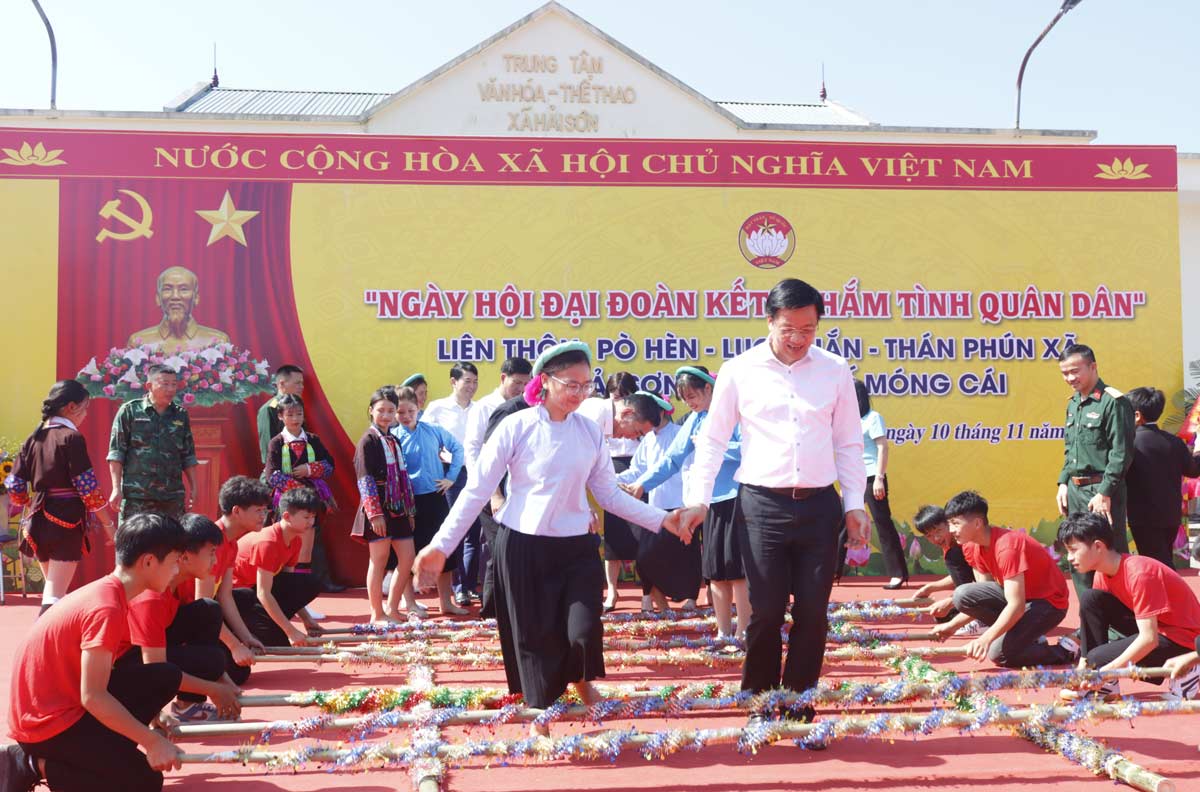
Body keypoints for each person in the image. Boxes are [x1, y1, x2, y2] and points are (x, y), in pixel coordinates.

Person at [413, 341, 689, 737]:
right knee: (535, 636)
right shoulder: (517, 426)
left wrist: (664, 521)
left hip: (577, 547)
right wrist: (441, 545)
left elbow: (609, 496)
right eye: (571, 385)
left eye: (586, 385)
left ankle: (578, 679)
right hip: (524, 546)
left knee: (582, 629)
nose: (579, 394)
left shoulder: (589, 433)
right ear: (546, 382)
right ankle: (539, 718)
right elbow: (476, 491)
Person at [676, 279, 868, 730]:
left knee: (813, 613)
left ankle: (799, 705)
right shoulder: (739, 370)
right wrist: (697, 501)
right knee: (764, 610)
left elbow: (848, 442)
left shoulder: (835, 369)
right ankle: (760, 702)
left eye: (809, 328)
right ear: (769, 322)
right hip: (761, 506)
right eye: (789, 329)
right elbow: (713, 439)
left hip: (820, 506)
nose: (799, 338)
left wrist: (854, 504)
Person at [3, 513, 186, 792]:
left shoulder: (111, 593)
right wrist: (152, 741)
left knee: (164, 675)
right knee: (145, 781)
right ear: (148, 561)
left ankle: (104, 752)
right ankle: (28, 763)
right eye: (174, 562)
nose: (176, 571)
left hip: (63, 705)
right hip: (44, 726)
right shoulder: (106, 608)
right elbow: (93, 696)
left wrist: (152, 719)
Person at [626, 365, 749, 638]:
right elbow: (672, 459)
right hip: (705, 502)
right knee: (715, 569)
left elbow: (748, 450)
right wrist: (642, 484)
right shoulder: (696, 419)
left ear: (709, 388)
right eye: (685, 399)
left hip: (736, 497)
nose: (690, 403)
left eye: (694, 396)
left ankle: (743, 630)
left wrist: (714, 447)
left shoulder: (733, 412)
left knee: (737, 569)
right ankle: (723, 632)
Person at [1057, 511, 1200, 701]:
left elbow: (1149, 639)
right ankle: (1107, 687)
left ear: (1098, 546)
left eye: (1074, 550)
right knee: (1091, 600)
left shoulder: (1139, 573)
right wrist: (1083, 669)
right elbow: (1097, 629)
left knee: (1098, 658)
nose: (1069, 557)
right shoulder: (1102, 573)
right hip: (1159, 630)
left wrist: (1107, 669)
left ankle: (1192, 665)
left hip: (1185, 639)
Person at [120, 513, 247, 723]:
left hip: (149, 648)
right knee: (213, 660)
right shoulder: (151, 596)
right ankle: (155, 708)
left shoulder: (176, 583)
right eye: (212, 553)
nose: (215, 561)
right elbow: (154, 667)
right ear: (185, 557)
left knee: (208, 610)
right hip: (126, 664)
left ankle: (189, 704)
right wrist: (213, 689)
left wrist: (223, 681)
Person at [5, 380, 116, 616]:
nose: (85, 415)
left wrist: (25, 501)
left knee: (54, 591)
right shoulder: (71, 438)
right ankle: (41, 647)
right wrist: (109, 526)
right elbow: (87, 488)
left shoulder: (33, 438)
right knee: (55, 595)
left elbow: (14, 483)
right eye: (85, 408)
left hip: (36, 521)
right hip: (65, 521)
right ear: (71, 407)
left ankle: (51, 645)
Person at [931, 491, 1075, 668]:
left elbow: (1016, 605)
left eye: (955, 524)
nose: (951, 531)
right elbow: (984, 596)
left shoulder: (1007, 547)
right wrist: (952, 626)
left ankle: (1065, 650)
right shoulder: (971, 546)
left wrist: (985, 639)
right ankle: (1028, 636)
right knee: (962, 595)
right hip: (1023, 600)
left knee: (998, 654)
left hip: (1049, 604)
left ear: (977, 523)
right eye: (950, 524)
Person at [1056, 343, 1135, 592]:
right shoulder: (1073, 404)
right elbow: (1071, 451)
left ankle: (1119, 626)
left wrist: (1105, 492)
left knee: (1109, 555)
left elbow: (1121, 453)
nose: (1070, 378)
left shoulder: (1113, 402)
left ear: (1093, 367)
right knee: (1078, 555)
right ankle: (1088, 625)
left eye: (1075, 371)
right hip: (1075, 492)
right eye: (1065, 373)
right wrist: (1062, 483)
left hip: (1101, 492)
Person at [617, 392, 699, 612]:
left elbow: (691, 467)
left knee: (686, 554)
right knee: (645, 557)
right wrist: (613, 480)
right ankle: (658, 600)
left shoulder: (680, 434)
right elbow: (637, 470)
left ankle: (690, 597)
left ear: (661, 412)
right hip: (656, 507)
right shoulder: (647, 439)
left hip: (682, 503)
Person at [393, 386, 468, 616]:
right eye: (401, 412)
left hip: (435, 499)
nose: (406, 417)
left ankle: (446, 602)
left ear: (419, 409)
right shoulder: (393, 437)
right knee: (407, 555)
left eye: (411, 411)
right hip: (408, 503)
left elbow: (457, 449)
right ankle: (410, 603)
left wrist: (450, 478)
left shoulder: (434, 430)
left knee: (442, 550)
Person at [351, 389, 420, 622]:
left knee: (408, 557)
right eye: (381, 410)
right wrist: (374, 514)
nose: (387, 415)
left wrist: (409, 510)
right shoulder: (367, 441)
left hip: (399, 507)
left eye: (391, 410)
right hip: (378, 507)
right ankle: (376, 613)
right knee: (378, 561)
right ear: (371, 411)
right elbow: (364, 479)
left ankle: (392, 607)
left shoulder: (393, 439)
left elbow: (403, 477)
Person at [264, 394, 338, 610]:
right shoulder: (277, 442)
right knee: (286, 551)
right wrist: (299, 489)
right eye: (290, 414)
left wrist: (310, 469)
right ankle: (284, 600)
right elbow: (271, 474)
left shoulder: (312, 440)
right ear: (281, 416)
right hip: (288, 503)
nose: (295, 419)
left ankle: (301, 603)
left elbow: (330, 465)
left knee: (304, 552)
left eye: (299, 414)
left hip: (310, 504)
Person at [577, 371, 642, 611]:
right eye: (615, 396)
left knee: (640, 532)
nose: (619, 403)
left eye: (625, 397)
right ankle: (612, 592)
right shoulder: (596, 414)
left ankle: (645, 590)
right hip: (611, 466)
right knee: (614, 534)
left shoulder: (640, 415)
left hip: (637, 467)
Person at [189, 476, 271, 663]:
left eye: (264, 511)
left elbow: (225, 595)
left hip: (204, 611)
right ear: (236, 511)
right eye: (258, 511)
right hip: (186, 615)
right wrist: (234, 646)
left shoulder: (231, 543)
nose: (263, 516)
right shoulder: (211, 544)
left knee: (245, 596)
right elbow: (203, 606)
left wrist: (246, 637)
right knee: (225, 667)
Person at [422, 362, 484, 607]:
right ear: (453, 382)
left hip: (476, 473)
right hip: (450, 475)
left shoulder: (480, 409)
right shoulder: (438, 408)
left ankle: (468, 586)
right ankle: (457, 587)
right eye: (467, 381)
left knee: (474, 532)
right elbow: (425, 437)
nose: (471, 386)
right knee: (455, 528)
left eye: (475, 382)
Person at [231, 487, 322, 647]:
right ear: (287, 516)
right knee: (278, 642)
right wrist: (290, 631)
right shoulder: (268, 542)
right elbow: (263, 592)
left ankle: (269, 624)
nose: (311, 522)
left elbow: (289, 587)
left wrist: (307, 620)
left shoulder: (295, 540)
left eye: (313, 517)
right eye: (306, 517)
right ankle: (247, 628)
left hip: (256, 592)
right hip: (239, 596)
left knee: (308, 582)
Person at [106, 364, 197, 523]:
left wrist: (194, 487)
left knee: (172, 545)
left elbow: (188, 455)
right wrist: (116, 489)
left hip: (171, 498)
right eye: (165, 384)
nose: (170, 389)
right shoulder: (130, 411)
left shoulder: (180, 415)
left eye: (174, 384)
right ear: (149, 386)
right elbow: (116, 453)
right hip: (137, 497)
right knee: (134, 545)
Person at [841, 379, 906, 588]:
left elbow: (882, 448)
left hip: (871, 477)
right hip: (852, 478)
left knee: (883, 524)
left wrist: (879, 477)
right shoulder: (845, 421)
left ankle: (898, 574)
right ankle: (832, 574)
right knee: (840, 524)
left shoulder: (873, 418)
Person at [1124, 387, 1200, 568]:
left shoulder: (1128, 444)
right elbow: (1193, 470)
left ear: (1136, 415)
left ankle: (1173, 595)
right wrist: (1197, 451)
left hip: (1143, 517)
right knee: (1162, 558)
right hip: (1171, 515)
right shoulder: (1174, 442)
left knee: (1158, 565)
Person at [911, 505, 983, 633]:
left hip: (997, 591)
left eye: (939, 531)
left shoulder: (961, 546)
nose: (936, 539)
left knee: (950, 610)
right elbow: (964, 575)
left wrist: (950, 602)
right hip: (986, 589)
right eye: (929, 535)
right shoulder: (952, 547)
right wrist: (930, 588)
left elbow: (973, 587)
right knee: (943, 616)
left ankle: (983, 621)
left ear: (948, 523)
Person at [126, 265, 230, 353]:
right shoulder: (139, 342)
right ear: (158, 298)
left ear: (196, 298)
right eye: (167, 289)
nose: (175, 296)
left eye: (184, 289)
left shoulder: (217, 342)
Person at [256, 364, 304, 466]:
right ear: (282, 384)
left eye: (302, 383)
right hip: (278, 472)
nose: (302, 387)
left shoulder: (298, 406)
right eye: (297, 383)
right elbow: (268, 447)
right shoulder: (270, 408)